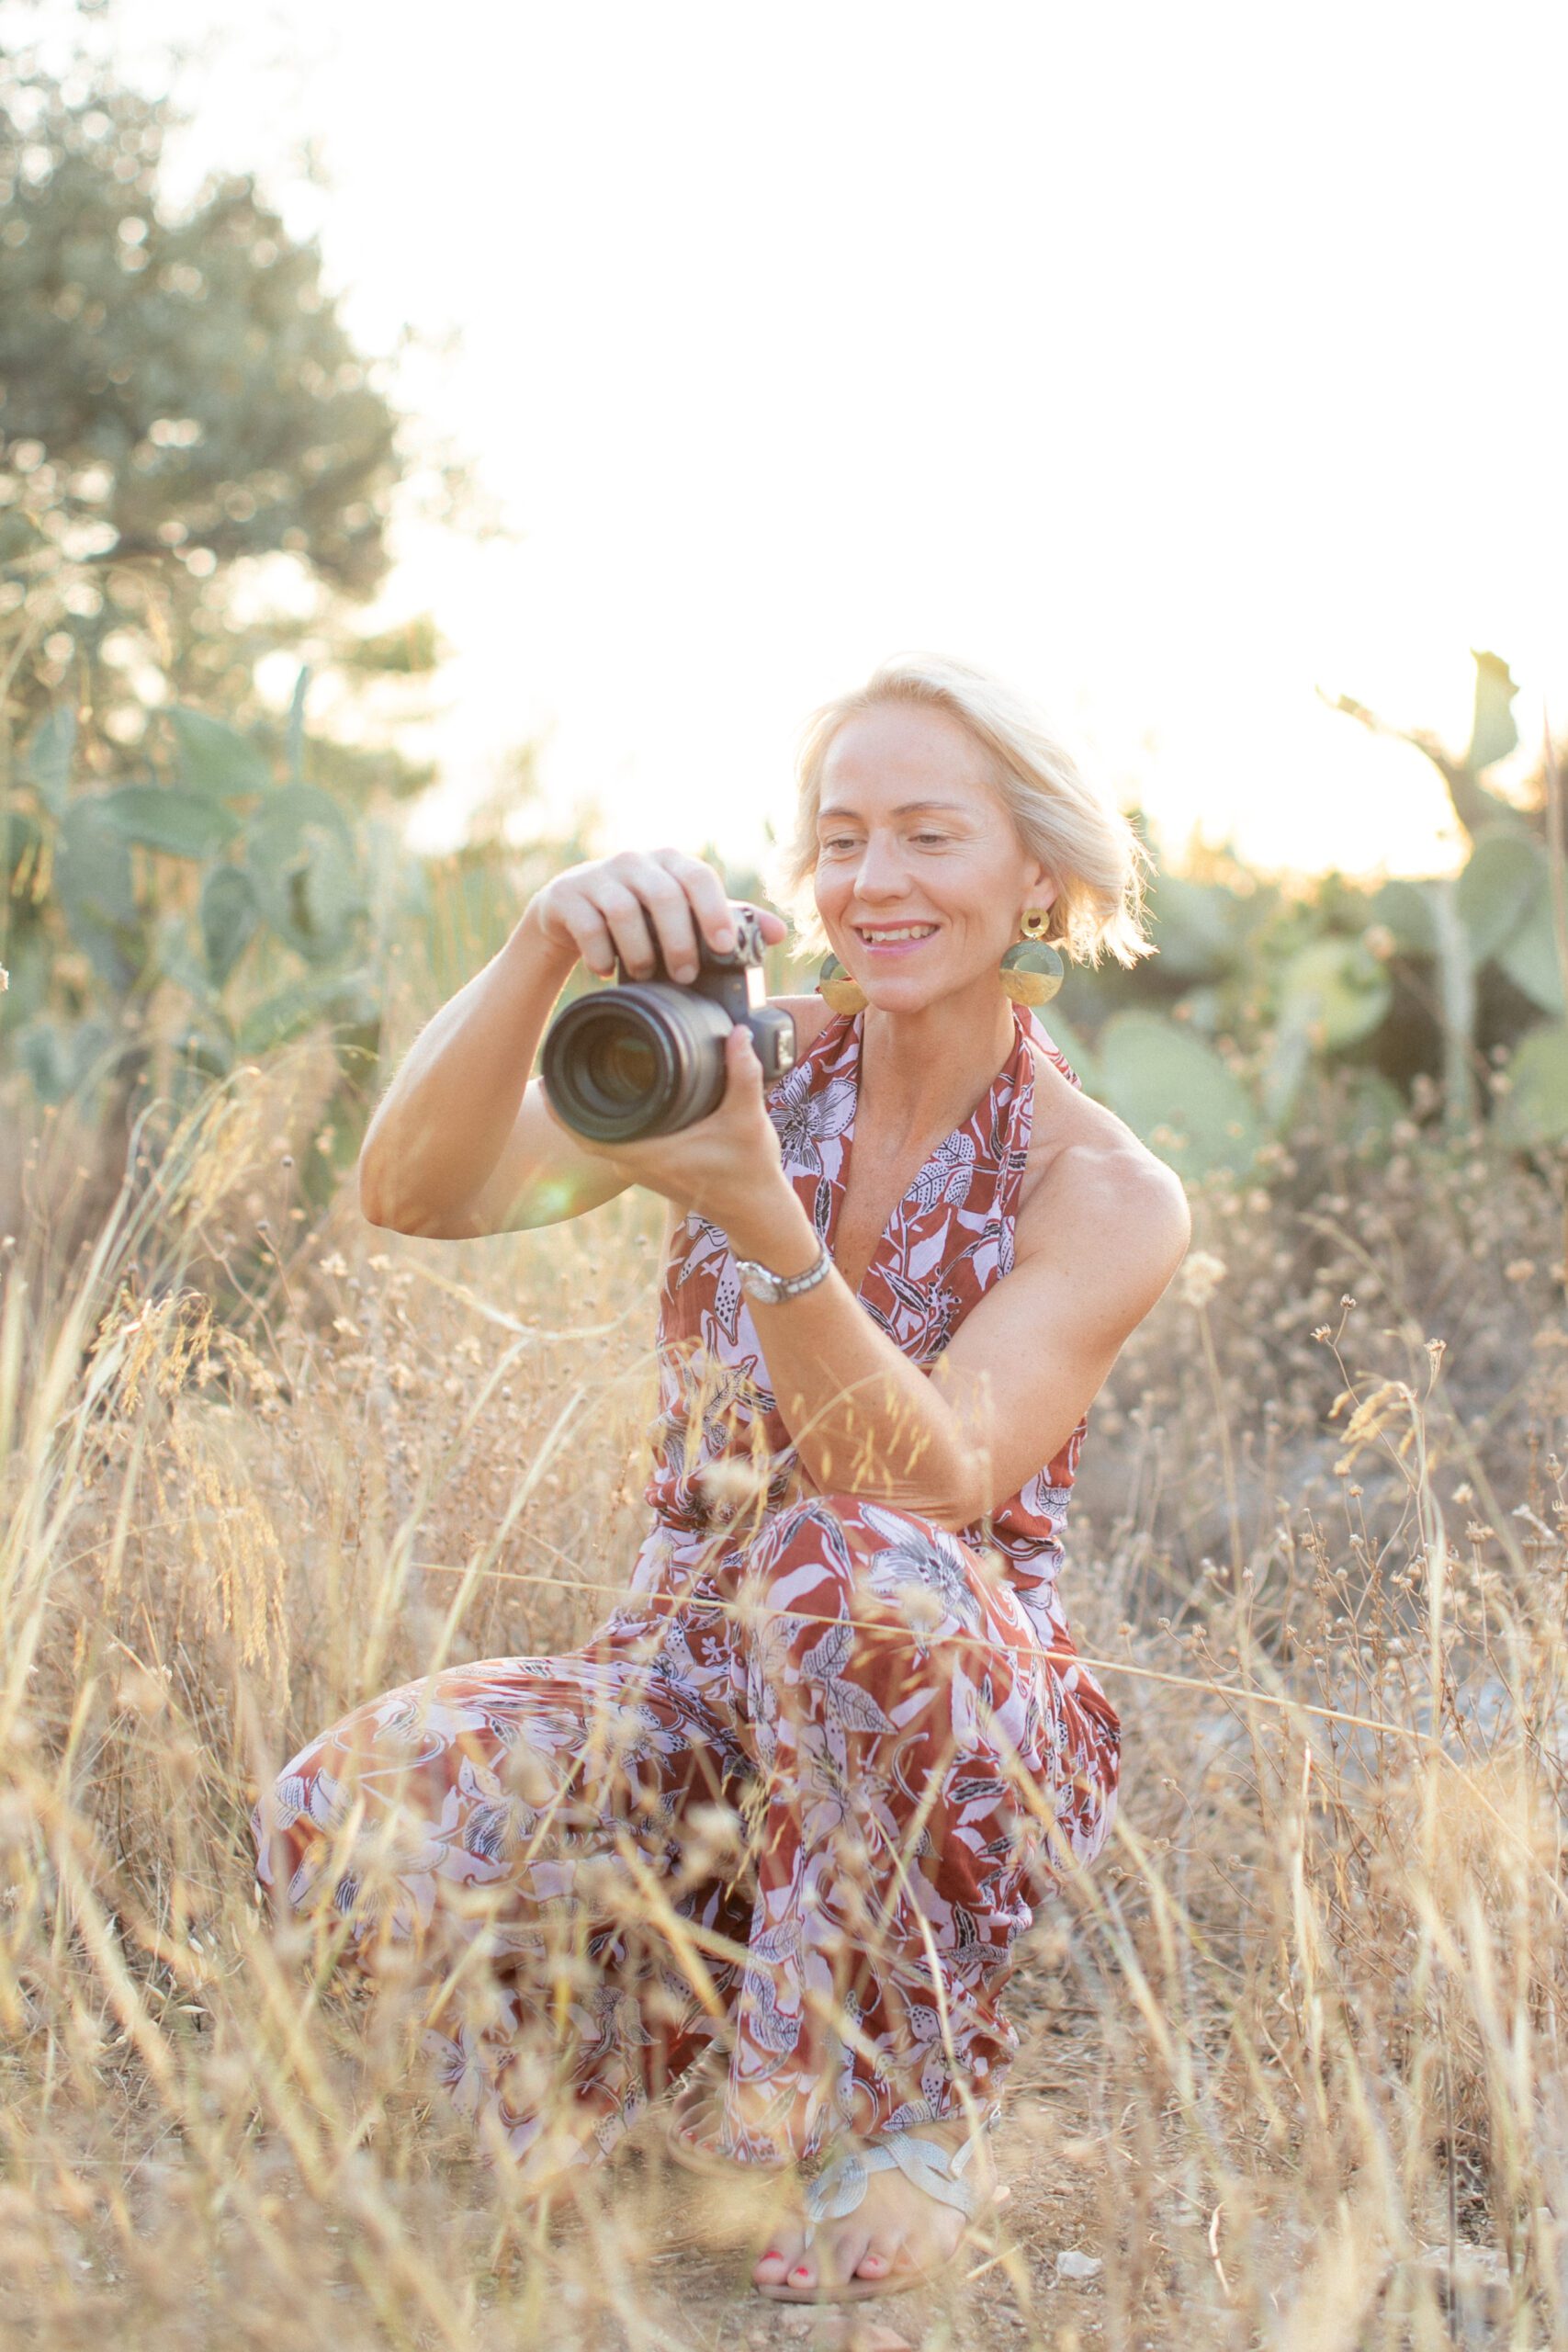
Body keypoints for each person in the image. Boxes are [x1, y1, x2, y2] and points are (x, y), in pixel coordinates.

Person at [252, 653, 1190, 2307]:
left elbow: (937, 1480)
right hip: (681, 1680)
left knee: (843, 1559)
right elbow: (417, 1190)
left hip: (940, 1701)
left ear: (1036, 867)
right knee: (343, 1810)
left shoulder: (1103, 1186)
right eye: (841, 838)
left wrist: (764, 1219)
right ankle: (634, 2098)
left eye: (927, 834)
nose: (874, 880)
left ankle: (893, 2127)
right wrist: (546, 935)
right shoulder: (725, 1066)